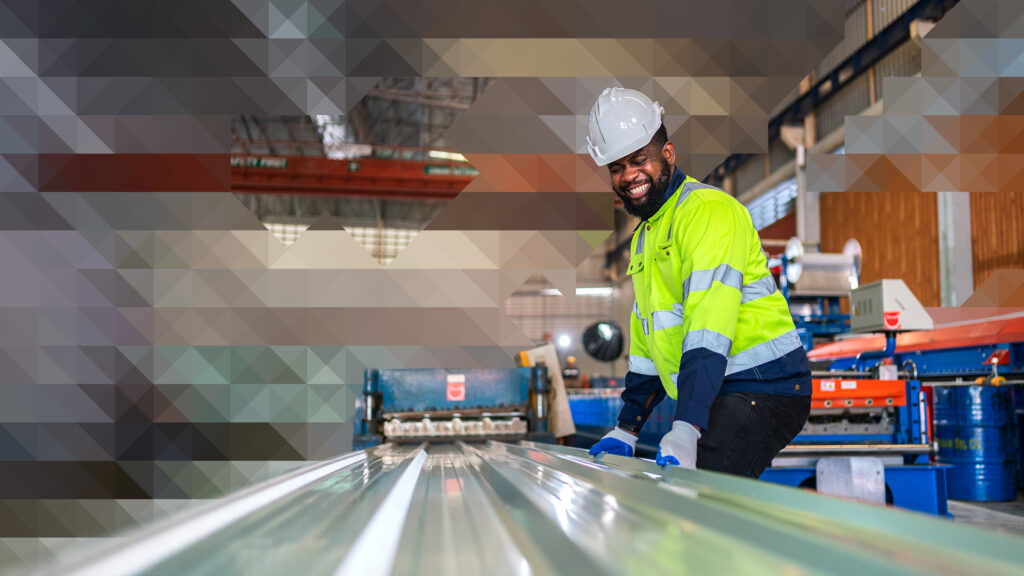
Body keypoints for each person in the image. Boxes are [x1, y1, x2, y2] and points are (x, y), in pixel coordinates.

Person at [585, 87, 811, 478]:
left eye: (639, 161)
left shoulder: (708, 213)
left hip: (763, 385)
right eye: (617, 167)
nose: (629, 176)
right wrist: (628, 425)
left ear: (667, 155)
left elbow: (708, 325)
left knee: (700, 493)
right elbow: (645, 342)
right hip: (723, 388)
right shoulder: (646, 236)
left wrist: (687, 424)